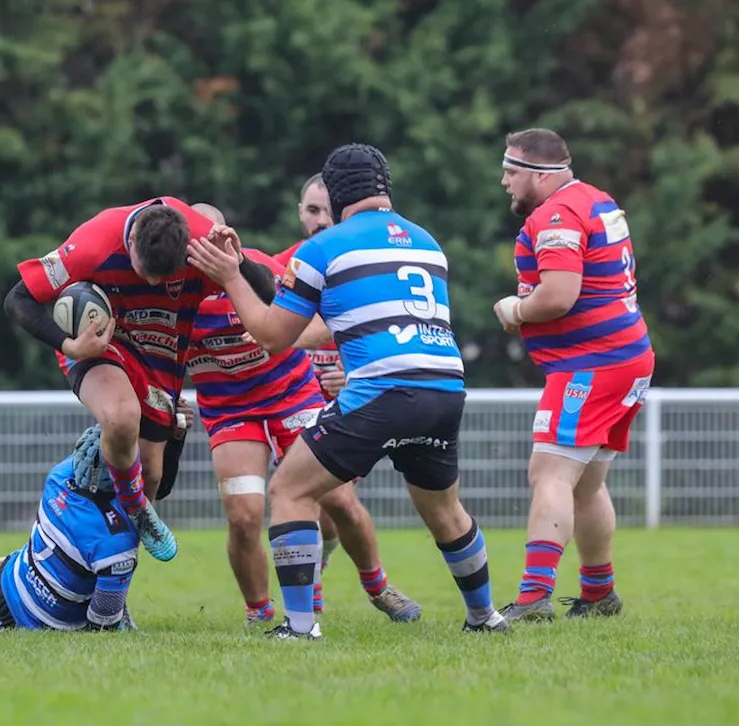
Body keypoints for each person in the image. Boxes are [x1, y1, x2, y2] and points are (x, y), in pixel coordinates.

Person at [188, 143, 508, 639]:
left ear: (336, 197)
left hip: (384, 392)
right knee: (445, 510)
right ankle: (485, 617)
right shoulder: (426, 242)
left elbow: (273, 337)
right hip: (445, 388)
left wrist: (231, 276)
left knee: (289, 490)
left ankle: (298, 626)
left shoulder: (323, 248)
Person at [186, 202, 421, 625]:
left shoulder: (260, 269)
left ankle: (378, 586)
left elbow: (330, 318)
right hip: (229, 408)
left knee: (340, 501)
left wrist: (293, 343)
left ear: (229, 234)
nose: (209, 248)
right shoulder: (177, 298)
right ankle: (259, 612)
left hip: (292, 395)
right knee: (243, 516)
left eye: (216, 236)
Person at [4, 198, 277, 562]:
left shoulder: (204, 242)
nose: (152, 282)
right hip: (101, 344)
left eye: (165, 276)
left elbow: (272, 295)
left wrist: (238, 262)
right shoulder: (94, 243)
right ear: (130, 240)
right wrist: (70, 344)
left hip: (161, 359)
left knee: (152, 475)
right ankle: (135, 508)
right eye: (145, 271)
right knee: (121, 416)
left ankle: (114, 590)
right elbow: (18, 299)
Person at [493, 128, 653, 621]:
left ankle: (534, 596)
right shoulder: (598, 200)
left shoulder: (557, 214)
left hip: (592, 362)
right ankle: (599, 592)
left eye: (512, 172)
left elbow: (559, 295)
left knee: (550, 474)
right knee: (585, 483)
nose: (504, 182)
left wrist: (515, 310)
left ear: (541, 175)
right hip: (625, 355)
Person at [0, 421, 187, 633]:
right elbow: (102, 624)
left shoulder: (59, 476)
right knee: (15, 623)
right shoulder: (118, 544)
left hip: (6, 583)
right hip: (43, 621)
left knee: (26, 560)